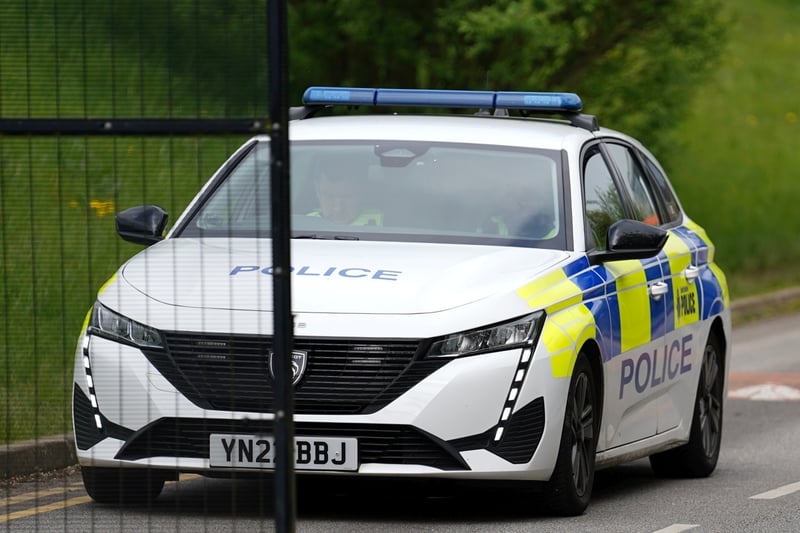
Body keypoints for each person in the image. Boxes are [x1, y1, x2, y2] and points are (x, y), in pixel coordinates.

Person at [306, 159, 382, 225]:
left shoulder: (385, 223)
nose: (338, 209)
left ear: (362, 193)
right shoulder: (306, 224)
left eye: (347, 197)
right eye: (329, 197)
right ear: (317, 192)